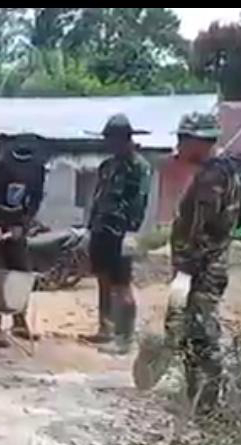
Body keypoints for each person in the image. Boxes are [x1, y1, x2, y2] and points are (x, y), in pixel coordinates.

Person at [134, 113, 241, 415]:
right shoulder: (233, 171)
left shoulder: (210, 179)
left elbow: (196, 230)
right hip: (212, 266)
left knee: (199, 333)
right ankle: (196, 395)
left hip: (195, 270)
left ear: (200, 142)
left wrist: (187, 267)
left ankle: (205, 403)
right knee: (188, 328)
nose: (179, 146)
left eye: (183, 139)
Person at [83, 114, 151, 355]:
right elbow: (98, 197)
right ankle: (106, 328)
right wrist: (91, 225)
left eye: (112, 140)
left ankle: (125, 337)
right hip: (101, 230)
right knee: (102, 279)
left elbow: (139, 202)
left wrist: (131, 231)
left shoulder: (139, 166)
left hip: (122, 232)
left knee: (122, 285)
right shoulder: (107, 166)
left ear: (125, 139)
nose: (108, 145)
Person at [0, 134, 47, 347]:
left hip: (17, 226)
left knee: (22, 273)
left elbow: (34, 201)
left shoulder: (38, 170)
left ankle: (19, 322)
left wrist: (24, 225)